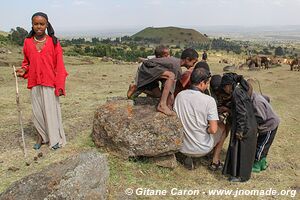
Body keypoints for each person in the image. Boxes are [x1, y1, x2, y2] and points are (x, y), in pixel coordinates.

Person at [15, 12, 68, 150]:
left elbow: (60, 66)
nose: (39, 26)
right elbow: (26, 62)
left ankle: (55, 139)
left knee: (51, 112)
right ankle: (41, 137)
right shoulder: (27, 42)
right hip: (34, 82)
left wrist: (60, 85)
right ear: (32, 25)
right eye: (36, 23)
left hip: (49, 82)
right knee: (37, 113)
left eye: (42, 24)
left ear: (46, 24)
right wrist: (23, 70)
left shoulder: (54, 42)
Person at [174, 68, 227, 170]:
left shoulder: (180, 96)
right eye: (207, 83)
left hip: (182, 147)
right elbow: (213, 130)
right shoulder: (209, 100)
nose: (207, 86)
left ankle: (189, 157)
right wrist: (206, 129)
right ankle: (215, 161)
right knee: (223, 127)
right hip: (202, 148)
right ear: (202, 83)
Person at [131, 48, 199, 116]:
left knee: (158, 95)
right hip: (147, 69)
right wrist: (169, 105)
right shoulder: (176, 66)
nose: (193, 65)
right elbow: (171, 90)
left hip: (150, 71)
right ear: (187, 59)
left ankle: (136, 88)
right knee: (171, 76)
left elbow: (167, 86)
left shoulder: (175, 63)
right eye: (193, 62)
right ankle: (162, 105)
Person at [221, 73, 257, 182]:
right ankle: (235, 173)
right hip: (249, 124)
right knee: (237, 149)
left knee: (242, 151)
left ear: (229, 85)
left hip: (245, 126)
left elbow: (242, 113)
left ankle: (241, 176)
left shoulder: (237, 93)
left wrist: (240, 131)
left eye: (224, 86)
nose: (224, 89)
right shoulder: (239, 90)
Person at [247, 82, 280, 173]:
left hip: (269, 126)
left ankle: (257, 165)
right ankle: (262, 162)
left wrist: (250, 124)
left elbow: (260, 117)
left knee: (262, 146)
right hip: (265, 126)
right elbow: (267, 98)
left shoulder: (256, 101)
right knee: (261, 143)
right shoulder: (254, 96)